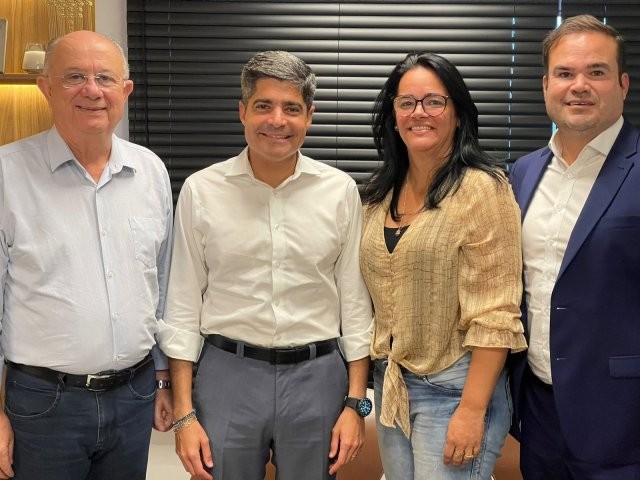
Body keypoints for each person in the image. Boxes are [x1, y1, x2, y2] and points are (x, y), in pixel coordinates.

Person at [159, 50, 373, 480]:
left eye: (291, 108)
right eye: (264, 106)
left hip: (317, 377)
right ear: (243, 111)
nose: (277, 120)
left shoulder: (340, 191)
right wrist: (184, 414)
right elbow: (182, 304)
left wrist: (355, 404)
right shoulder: (202, 191)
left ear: (309, 116)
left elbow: (354, 304)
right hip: (227, 375)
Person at [0, 31, 174, 479]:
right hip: (43, 404)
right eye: (74, 77)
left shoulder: (150, 171)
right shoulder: (7, 174)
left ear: (126, 90)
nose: (92, 91)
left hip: (134, 395)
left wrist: (162, 378)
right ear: (46, 87)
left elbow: (160, 286)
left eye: (105, 78)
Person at [360, 52, 527, 480]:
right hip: (392, 386)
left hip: (454, 391)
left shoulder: (483, 189)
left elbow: (496, 312)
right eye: (407, 102)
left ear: (457, 113)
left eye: (434, 101)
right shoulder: (378, 195)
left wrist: (472, 410)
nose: (420, 113)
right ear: (393, 115)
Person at [509, 14, 640, 480]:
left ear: (623, 84)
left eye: (596, 72)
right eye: (565, 73)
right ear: (546, 85)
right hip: (538, 414)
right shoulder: (522, 172)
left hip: (623, 420)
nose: (579, 86)